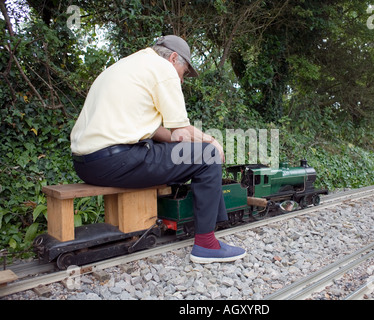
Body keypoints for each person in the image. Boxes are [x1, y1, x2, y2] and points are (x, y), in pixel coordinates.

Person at [70, 35, 246, 264]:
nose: (182, 80)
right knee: (208, 155)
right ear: (173, 58)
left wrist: (177, 139)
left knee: (181, 148)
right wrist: (212, 142)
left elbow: (157, 132)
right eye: (183, 73)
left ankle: (190, 220)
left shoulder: (129, 65)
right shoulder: (163, 69)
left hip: (87, 164)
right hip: (117, 160)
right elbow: (182, 129)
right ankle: (206, 245)